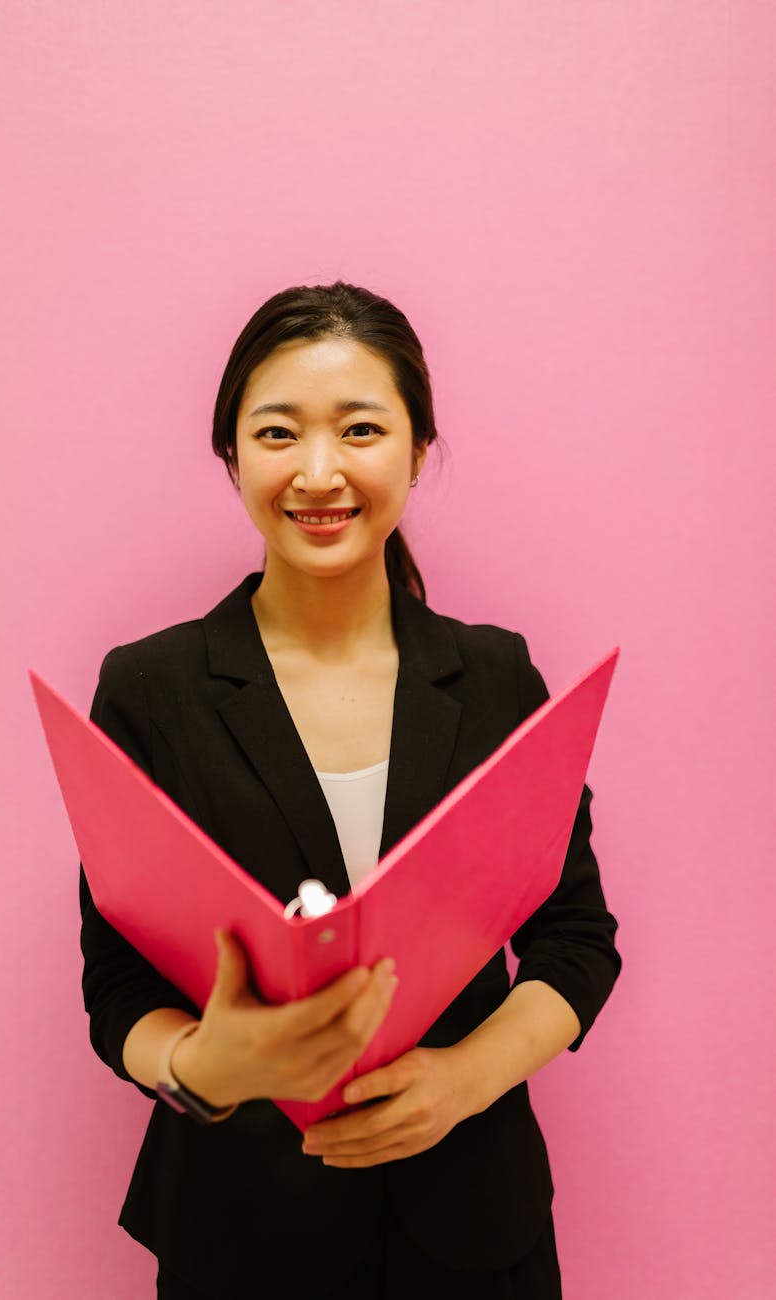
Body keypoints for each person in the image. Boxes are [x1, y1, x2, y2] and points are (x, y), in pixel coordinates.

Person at [79, 280, 621, 1300]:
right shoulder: (150, 688)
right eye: (277, 432)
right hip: (236, 1229)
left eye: (361, 429)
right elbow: (117, 985)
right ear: (233, 454)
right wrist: (208, 1071)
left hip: (475, 1227)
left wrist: (464, 1080)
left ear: (417, 452)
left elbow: (576, 938)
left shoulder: (497, 676)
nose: (318, 471)